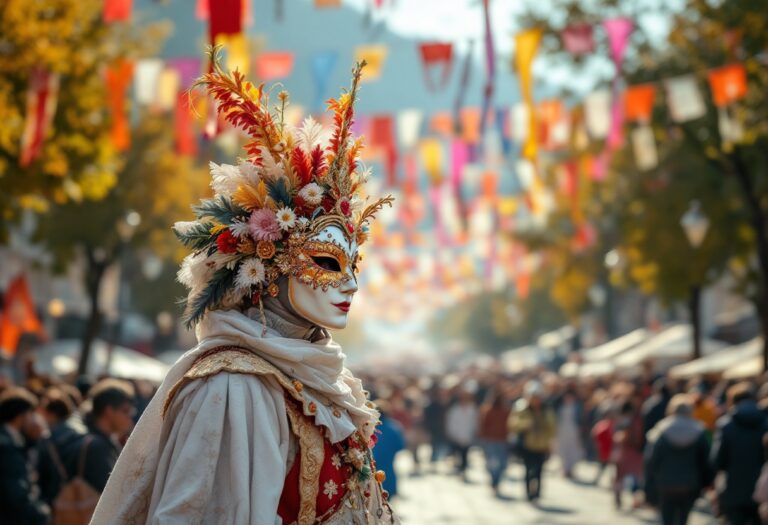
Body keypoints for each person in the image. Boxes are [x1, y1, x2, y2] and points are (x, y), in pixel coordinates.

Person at [89, 58, 398, 524]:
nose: (351, 283)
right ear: (270, 263)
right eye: (327, 262)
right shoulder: (233, 388)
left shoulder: (322, 377)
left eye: (353, 265)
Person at [644, 394, 714, 525]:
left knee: (667, 519)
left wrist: (648, 486)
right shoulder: (699, 431)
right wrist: (707, 483)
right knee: (683, 519)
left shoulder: (660, 430)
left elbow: (651, 460)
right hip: (690, 483)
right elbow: (706, 461)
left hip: (664, 483)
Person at [711, 382, 767, 525]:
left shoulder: (726, 425)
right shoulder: (765, 423)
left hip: (733, 487)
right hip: (760, 488)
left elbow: (718, 460)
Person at [0, 387, 50, 525]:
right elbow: (15, 495)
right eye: (30, 414)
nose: (33, 420)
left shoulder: (12, 440)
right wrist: (43, 514)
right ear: (19, 417)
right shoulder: (6, 447)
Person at [508, 381, 556, 503]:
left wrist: (550, 442)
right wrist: (526, 424)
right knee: (528, 469)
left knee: (539, 470)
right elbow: (513, 424)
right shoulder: (521, 407)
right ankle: (528, 492)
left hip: (542, 445)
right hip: (527, 444)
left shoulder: (546, 409)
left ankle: (537, 492)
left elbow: (552, 427)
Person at [36, 387, 82, 505]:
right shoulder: (81, 435)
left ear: (51, 414)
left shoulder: (46, 440)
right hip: (81, 494)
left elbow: (42, 473)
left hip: (56, 496)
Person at [613, 398, 645, 510]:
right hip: (633, 451)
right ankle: (633, 499)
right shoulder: (637, 419)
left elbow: (620, 435)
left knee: (622, 476)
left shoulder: (625, 420)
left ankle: (620, 496)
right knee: (634, 476)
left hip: (625, 450)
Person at [478, 390, 511, 496]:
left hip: (502, 440)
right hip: (491, 440)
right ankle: (494, 480)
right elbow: (483, 425)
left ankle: (496, 481)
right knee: (492, 462)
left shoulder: (506, 411)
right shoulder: (488, 410)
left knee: (501, 463)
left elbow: (509, 425)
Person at [371, 400, 406, 499]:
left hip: (372, 466)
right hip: (388, 467)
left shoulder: (369, 427)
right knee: (387, 495)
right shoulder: (394, 427)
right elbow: (400, 446)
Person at [446, 388, 479, 481]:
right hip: (457, 435)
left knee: (465, 453)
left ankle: (463, 470)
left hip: (467, 435)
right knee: (457, 453)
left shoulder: (472, 409)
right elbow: (451, 422)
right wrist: (453, 433)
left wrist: (474, 432)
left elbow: (475, 422)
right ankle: (458, 468)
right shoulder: (455, 409)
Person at [555, 386, 584, 479]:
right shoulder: (560, 406)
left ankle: (571, 468)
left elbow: (580, 419)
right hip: (562, 429)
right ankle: (565, 467)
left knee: (573, 449)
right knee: (563, 448)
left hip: (573, 429)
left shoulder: (577, 407)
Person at [423, 386, 450, 467]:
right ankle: (434, 459)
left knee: (438, 444)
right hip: (434, 428)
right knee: (435, 444)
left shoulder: (443, 405)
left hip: (439, 428)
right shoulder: (431, 406)